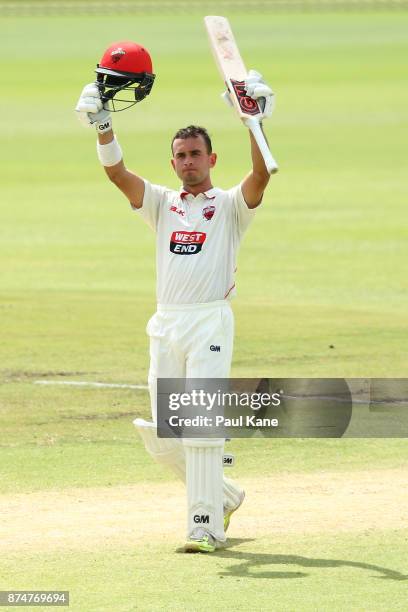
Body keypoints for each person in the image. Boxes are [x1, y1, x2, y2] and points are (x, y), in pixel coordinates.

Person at [75, 41, 275, 553]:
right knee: (165, 435)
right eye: (181, 156)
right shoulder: (162, 204)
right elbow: (117, 175)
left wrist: (256, 122)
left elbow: (260, 177)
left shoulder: (230, 206)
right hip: (166, 323)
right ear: (174, 161)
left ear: (211, 158)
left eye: (196, 155)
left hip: (209, 322)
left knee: (202, 428)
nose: (188, 163)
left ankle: (203, 527)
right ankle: (225, 494)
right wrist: (103, 126)